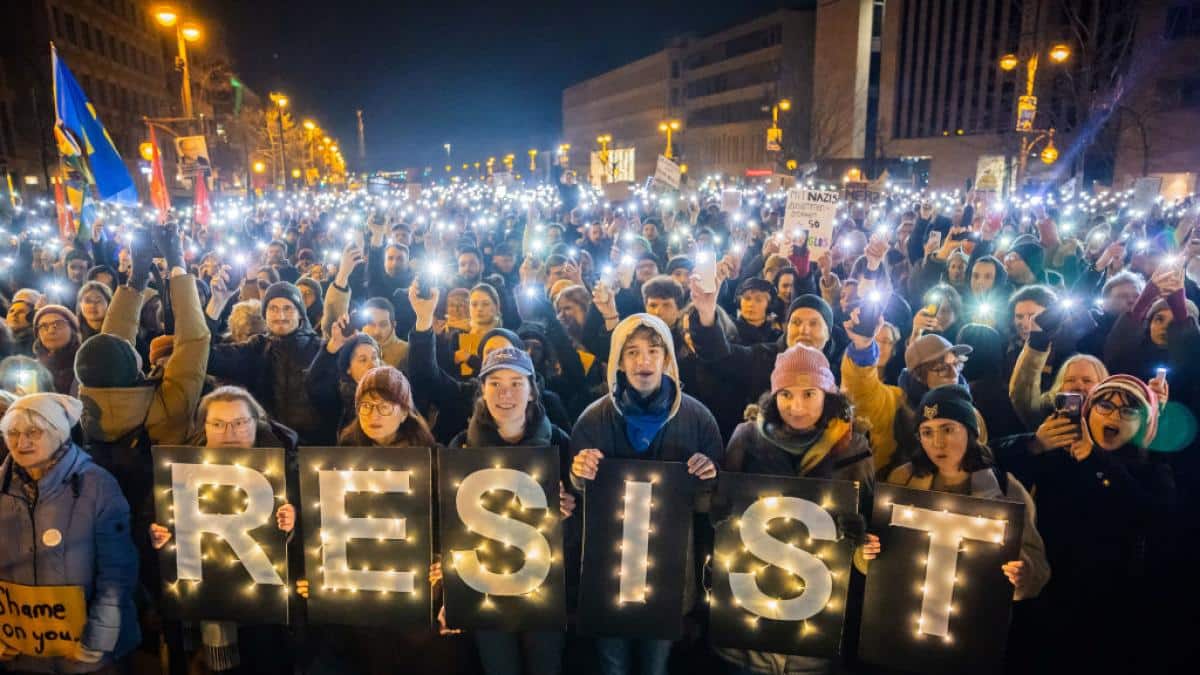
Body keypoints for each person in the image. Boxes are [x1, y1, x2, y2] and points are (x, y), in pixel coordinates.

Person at [570, 313, 722, 675]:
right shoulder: (593, 420)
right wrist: (579, 473)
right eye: (633, 352)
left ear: (667, 358)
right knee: (612, 663)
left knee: (656, 665)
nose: (644, 362)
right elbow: (579, 501)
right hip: (608, 571)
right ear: (619, 362)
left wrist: (707, 477)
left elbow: (711, 507)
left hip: (670, 573)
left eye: (653, 351)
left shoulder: (698, 418)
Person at [994, 375, 1175, 671]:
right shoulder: (1059, 455)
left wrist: (1097, 461)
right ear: (1088, 410)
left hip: (1110, 605)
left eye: (1129, 410)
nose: (1114, 415)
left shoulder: (1153, 469)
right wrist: (1033, 444)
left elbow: (1151, 514)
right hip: (1049, 593)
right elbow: (989, 461)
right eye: (1105, 405)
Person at [714, 345, 876, 674]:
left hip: (813, 633)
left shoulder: (852, 446)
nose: (796, 406)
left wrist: (857, 531)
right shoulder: (747, 438)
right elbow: (717, 511)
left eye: (808, 394)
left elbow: (870, 522)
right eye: (785, 394)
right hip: (749, 622)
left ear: (828, 395)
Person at [148, 386, 299, 675]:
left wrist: (293, 525)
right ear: (203, 426)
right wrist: (157, 536)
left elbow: (312, 538)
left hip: (266, 616)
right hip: (205, 608)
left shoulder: (285, 466)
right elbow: (153, 520)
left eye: (240, 423)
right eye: (218, 424)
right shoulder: (177, 469)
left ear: (257, 423)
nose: (230, 432)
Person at [447, 347, 575, 675]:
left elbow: (583, 525)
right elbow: (449, 525)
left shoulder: (560, 442)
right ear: (482, 391)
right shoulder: (461, 447)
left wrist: (569, 509)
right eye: (495, 383)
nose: (506, 392)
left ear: (533, 391)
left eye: (517, 382)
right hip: (486, 588)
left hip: (543, 588)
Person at [0, 393, 140, 671]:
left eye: (33, 432)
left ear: (59, 434)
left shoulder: (97, 485)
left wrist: (98, 639)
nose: (21, 442)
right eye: (12, 433)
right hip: (21, 655)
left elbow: (117, 571)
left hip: (85, 656)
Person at [873, 384, 1050, 605]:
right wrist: (867, 552)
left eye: (948, 429)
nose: (938, 443)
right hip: (908, 609)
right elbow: (877, 554)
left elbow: (1038, 568)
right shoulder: (903, 480)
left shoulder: (1005, 488)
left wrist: (1025, 574)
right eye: (927, 432)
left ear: (970, 431)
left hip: (973, 613)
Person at [842, 308, 978, 475]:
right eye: (941, 368)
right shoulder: (895, 402)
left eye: (956, 364)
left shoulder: (970, 411)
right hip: (899, 492)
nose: (954, 374)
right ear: (919, 375)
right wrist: (863, 347)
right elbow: (862, 390)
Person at [205, 280, 327, 444]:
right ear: (265, 314)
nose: (280, 316)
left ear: (300, 313)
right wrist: (216, 306)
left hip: (314, 453)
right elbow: (207, 358)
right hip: (267, 451)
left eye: (287, 308)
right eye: (273, 309)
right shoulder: (255, 348)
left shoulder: (322, 350)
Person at [32, 304, 81, 395]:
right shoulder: (32, 370)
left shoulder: (85, 365)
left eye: (58, 324)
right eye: (43, 326)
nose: (51, 331)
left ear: (72, 329)